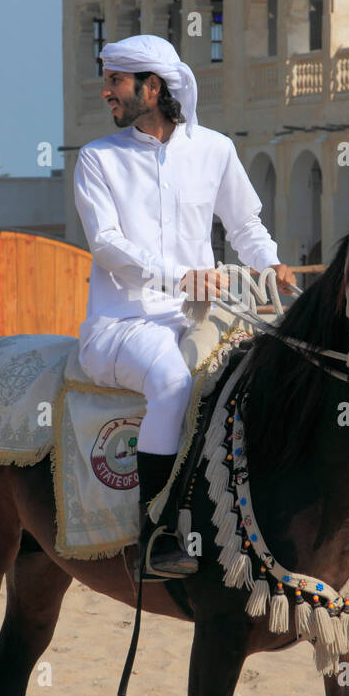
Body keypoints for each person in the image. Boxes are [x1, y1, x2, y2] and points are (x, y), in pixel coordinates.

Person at [73, 34, 297, 580]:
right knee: (174, 383)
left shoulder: (214, 149)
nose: (106, 91)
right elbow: (106, 245)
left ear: (152, 88)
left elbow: (244, 224)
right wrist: (181, 277)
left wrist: (270, 263)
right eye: (107, 80)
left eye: (115, 80)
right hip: (123, 323)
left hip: (202, 317)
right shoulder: (97, 158)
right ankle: (157, 534)